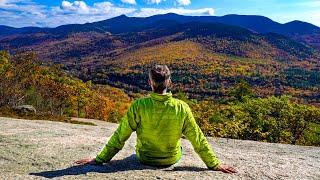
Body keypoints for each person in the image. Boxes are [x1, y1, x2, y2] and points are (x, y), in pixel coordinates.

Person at [76, 65, 237, 174]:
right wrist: (214, 164)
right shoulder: (182, 107)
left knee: (135, 151)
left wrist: (99, 160)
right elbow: (198, 139)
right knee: (180, 148)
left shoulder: (139, 105)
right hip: (171, 159)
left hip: (144, 158)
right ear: (169, 82)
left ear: (149, 82)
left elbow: (120, 136)